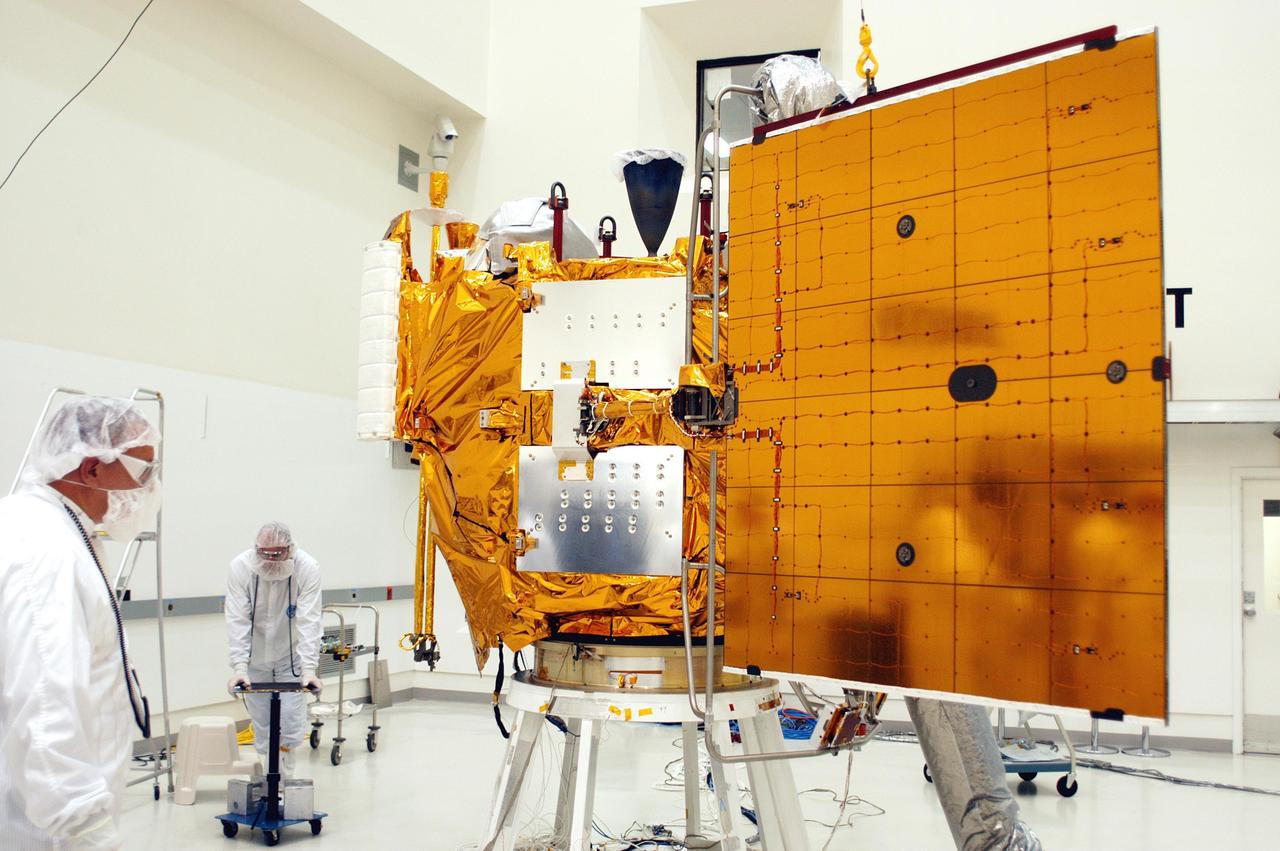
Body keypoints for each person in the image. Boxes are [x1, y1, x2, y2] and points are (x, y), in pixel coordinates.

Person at [0, 396, 160, 850]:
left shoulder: (52, 529)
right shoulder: (45, 550)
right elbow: (46, 701)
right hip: (40, 828)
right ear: (91, 468)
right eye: (142, 470)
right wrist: (85, 828)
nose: (149, 485)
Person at [225, 522, 323, 776]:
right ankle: (268, 780)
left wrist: (310, 669)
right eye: (264, 553)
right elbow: (237, 619)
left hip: (291, 656)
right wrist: (239, 667)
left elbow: (309, 621)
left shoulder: (307, 568)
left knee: (291, 719)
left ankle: (285, 777)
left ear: (290, 549)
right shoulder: (241, 567)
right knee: (262, 722)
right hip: (255, 655)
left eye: (277, 553)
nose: (270, 559)